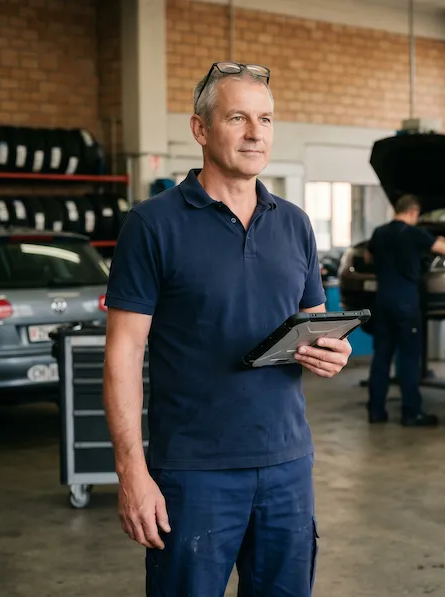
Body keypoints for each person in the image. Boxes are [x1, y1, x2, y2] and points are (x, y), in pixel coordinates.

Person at [102, 61, 352, 597]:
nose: (255, 132)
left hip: (287, 462)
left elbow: (312, 326)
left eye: (265, 119)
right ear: (201, 129)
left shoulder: (294, 222)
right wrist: (132, 473)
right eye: (238, 117)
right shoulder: (153, 224)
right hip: (195, 471)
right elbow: (122, 355)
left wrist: (334, 353)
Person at [364, 194, 445, 426]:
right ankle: (411, 412)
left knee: (382, 356)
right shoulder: (415, 233)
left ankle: (376, 411)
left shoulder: (379, 232)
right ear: (414, 212)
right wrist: (441, 239)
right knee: (409, 358)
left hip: (382, 300)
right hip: (406, 302)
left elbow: (367, 256)